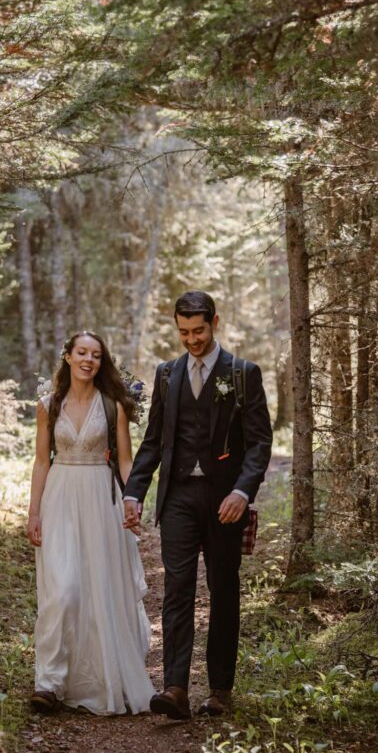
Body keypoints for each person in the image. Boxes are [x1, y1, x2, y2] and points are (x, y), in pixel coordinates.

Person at [123, 291, 272, 720]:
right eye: (184, 331)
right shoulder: (167, 376)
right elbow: (153, 442)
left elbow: (260, 443)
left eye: (199, 330)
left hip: (226, 500)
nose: (191, 339)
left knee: (224, 590)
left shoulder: (243, 374)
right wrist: (134, 492)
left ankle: (220, 689)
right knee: (178, 588)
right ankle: (175, 688)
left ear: (215, 323)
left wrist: (242, 491)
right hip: (179, 499)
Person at [26, 330, 154, 716]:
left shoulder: (113, 404)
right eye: (81, 352)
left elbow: (127, 460)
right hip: (61, 496)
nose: (88, 360)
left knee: (99, 587)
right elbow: (41, 460)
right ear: (68, 357)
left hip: (102, 498)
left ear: (102, 362)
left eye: (96, 355)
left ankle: (100, 678)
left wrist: (133, 499)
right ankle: (48, 682)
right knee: (61, 590)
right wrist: (34, 512)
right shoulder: (48, 404)